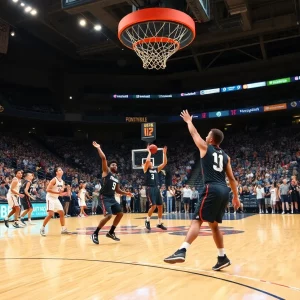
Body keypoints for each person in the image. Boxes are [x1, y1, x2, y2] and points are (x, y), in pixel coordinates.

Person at [164, 110, 240, 271]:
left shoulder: (206, 147)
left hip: (211, 188)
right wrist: (236, 198)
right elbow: (232, 179)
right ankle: (222, 257)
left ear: (211, 139)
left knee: (197, 221)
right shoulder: (226, 157)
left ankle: (182, 250)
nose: (205, 137)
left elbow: (194, 134)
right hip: (224, 191)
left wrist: (188, 121)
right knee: (214, 226)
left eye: (207, 135)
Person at [91, 141, 133, 245]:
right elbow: (104, 158)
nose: (115, 166)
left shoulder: (117, 178)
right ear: (109, 167)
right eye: (113, 164)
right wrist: (98, 148)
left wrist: (126, 193)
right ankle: (95, 233)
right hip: (103, 197)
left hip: (112, 198)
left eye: (116, 165)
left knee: (120, 213)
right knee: (109, 216)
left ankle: (111, 232)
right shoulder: (106, 172)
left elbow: (118, 190)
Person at [40, 167, 70, 236]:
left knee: (62, 213)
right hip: (50, 197)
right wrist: (59, 193)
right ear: (56, 172)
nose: (61, 171)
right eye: (59, 170)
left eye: (61, 170)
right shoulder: (54, 180)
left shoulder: (62, 181)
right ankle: (42, 228)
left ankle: (63, 229)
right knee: (50, 214)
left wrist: (63, 192)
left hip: (56, 198)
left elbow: (59, 191)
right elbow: (47, 189)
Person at [144, 145, 168, 231]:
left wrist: (164, 153)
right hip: (150, 188)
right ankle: (147, 221)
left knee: (160, 206)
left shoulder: (156, 169)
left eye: (151, 161)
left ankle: (159, 223)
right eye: (149, 161)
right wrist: (149, 152)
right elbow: (147, 160)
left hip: (156, 188)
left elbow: (164, 163)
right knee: (153, 206)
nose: (150, 161)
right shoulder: (146, 169)